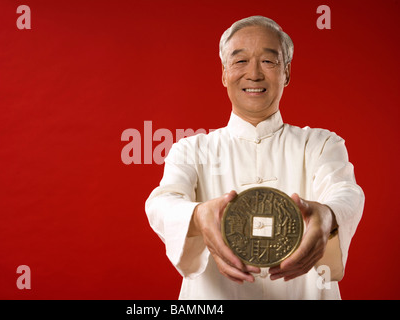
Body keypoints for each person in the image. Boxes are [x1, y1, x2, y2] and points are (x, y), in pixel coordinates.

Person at [145, 15, 364, 299]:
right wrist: (198, 215)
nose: (254, 74)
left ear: (286, 72)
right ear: (224, 74)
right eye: (240, 61)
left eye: (269, 61)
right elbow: (161, 202)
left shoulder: (321, 144)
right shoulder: (190, 149)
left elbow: (345, 192)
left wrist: (327, 216)